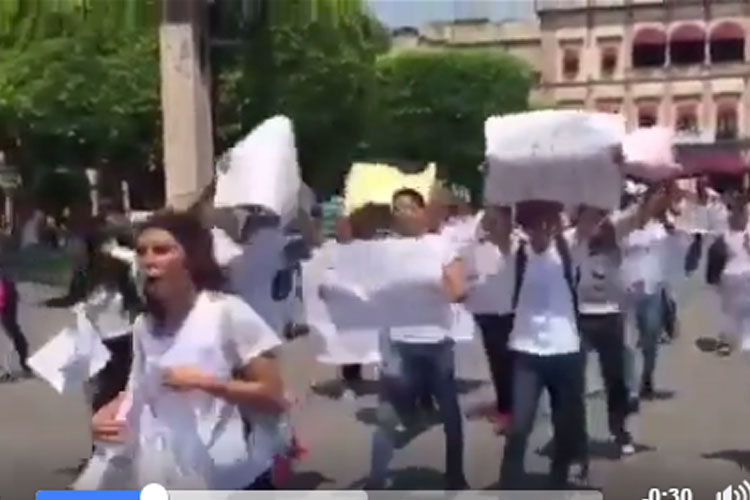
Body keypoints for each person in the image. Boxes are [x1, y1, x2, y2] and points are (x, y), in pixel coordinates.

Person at [90, 211, 287, 490]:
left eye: (161, 250)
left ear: (191, 259)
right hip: (165, 471)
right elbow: (140, 390)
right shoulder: (144, 326)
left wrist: (204, 383)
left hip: (226, 474)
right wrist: (106, 415)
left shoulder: (227, 313)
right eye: (141, 252)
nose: (148, 260)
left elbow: (274, 396)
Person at [368, 188, 468, 490]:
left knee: (450, 413)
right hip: (399, 343)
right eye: (397, 208)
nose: (404, 213)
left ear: (422, 212)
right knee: (387, 414)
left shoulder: (441, 245)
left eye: (410, 207)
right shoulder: (383, 249)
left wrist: (436, 279)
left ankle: (455, 476)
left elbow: (457, 290)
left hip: (437, 342)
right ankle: (375, 480)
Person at [572, 207, 634, 456]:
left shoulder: (616, 238)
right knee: (575, 381)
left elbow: (638, 215)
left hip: (610, 317)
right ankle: (574, 435)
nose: (595, 226)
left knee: (615, 378)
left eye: (599, 219)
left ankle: (618, 429)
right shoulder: (575, 241)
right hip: (579, 316)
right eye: (589, 219)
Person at [464, 205, 517, 435]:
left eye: (498, 219)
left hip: (510, 310)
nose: (491, 223)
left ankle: (514, 408)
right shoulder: (475, 238)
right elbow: (467, 268)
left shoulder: (516, 241)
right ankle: (507, 407)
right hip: (484, 310)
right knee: (498, 362)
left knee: (512, 363)